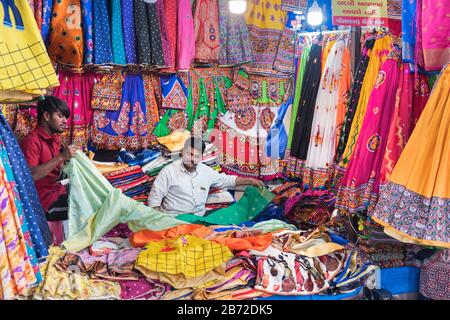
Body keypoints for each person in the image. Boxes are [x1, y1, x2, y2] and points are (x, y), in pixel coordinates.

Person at [148, 136, 264, 216]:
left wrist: (249, 180)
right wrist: (160, 222)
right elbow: (154, 200)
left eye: (196, 156)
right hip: (175, 219)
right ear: (182, 152)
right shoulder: (169, 171)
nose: (192, 159)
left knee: (233, 220)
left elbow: (227, 180)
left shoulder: (206, 171)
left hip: (199, 219)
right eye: (189, 154)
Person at [20, 96, 77, 244]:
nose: (65, 121)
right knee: (78, 204)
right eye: (60, 116)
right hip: (42, 199)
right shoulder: (32, 141)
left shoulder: (54, 139)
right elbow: (30, 175)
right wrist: (60, 158)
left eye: (65, 117)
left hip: (56, 191)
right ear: (46, 116)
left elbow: (57, 170)